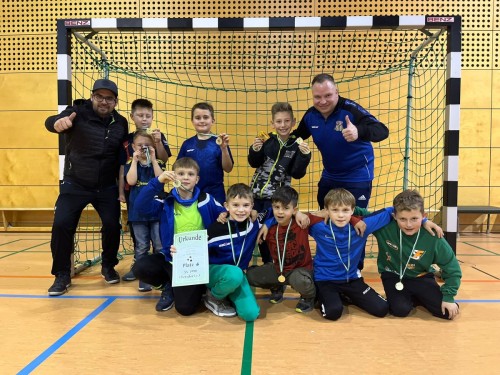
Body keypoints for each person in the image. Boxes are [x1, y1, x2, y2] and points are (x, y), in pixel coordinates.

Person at [293, 73, 389, 270]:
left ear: (336, 92)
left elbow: (382, 130)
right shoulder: (311, 116)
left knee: (354, 221)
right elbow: (296, 137)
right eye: (317, 97)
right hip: (330, 175)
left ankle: (355, 269)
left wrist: (358, 132)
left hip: (357, 177)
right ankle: (331, 264)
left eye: (328, 95)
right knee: (326, 219)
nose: (323, 101)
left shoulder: (350, 110)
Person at [45, 78, 129, 296]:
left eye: (109, 98)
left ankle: (108, 265)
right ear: (92, 97)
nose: (104, 102)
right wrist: (56, 123)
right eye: (99, 97)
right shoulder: (77, 112)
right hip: (75, 183)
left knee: (113, 225)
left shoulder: (120, 122)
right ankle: (62, 274)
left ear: (115, 102)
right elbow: (52, 121)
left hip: (106, 187)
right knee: (62, 224)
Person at [131, 157, 226, 314]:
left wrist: (224, 215)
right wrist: (158, 181)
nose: (186, 177)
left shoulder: (206, 199)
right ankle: (167, 286)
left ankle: (199, 287)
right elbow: (140, 206)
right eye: (181, 173)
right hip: (171, 258)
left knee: (185, 309)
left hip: (196, 261)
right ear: (173, 176)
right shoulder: (165, 200)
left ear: (197, 179)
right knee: (140, 268)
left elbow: (225, 213)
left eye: (190, 174)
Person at [372, 190, 461, 320]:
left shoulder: (433, 237)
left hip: (421, 276)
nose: (408, 224)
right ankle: (409, 297)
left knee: (447, 313)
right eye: (403, 219)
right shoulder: (384, 228)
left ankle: (415, 295)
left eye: (414, 218)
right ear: (394, 216)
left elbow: (452, 268)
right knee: (400, 310)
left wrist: (448, 297)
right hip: (393, 275)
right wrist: (330, 210)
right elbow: (357, 212)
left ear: (423, 216)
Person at [248, 102, 311, 263]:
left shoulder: (296, 144)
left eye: (287, 121)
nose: (283, 125)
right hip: (255, 195)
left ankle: (273, 265)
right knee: (254, 230)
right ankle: (260, 266)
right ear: (272, 123)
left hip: (277, 199)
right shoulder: (267, 140)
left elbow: (297, 173)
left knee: (270, 231)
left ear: (293, 122)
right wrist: (255, 150)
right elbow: (254, 163)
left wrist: (305, 156)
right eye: (279, 121)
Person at [246, 186, 319, 313]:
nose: (280, 212)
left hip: (300, 270)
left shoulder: (302, 222)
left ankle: (309, 297)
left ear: (294, 209)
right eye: (277, 207)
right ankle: (277, 285)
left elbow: (325, 213)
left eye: (286, 208)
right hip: (278, 269)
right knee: (250, 276)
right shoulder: (268, 227)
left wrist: (300, 213)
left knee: (300, 280)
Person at [204, 183, 265, 322]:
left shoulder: (253, 223)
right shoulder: (216, 228)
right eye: (235, 205)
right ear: (226, 206)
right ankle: (213, 296)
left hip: (237, 274)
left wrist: (297, 213)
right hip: (213, 273)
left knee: (250, 314)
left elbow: (277, 212)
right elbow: (197, 250)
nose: (241, 210)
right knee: (234, 274)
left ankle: (227, 291)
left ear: (252, 206)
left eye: (246, 205)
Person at [123, 130, 166, 292]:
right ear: (133, 147)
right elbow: (131, 181)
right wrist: (134, 161)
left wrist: (154, 159)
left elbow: (161, 181)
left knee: (159, 245)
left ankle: (161, 275)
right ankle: (144, 277)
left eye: (147, 145)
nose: (143, 148)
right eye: (140, 146)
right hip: (138, 214)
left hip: (156, 212)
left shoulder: (159, 163)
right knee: (141, 246)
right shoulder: (129, 164)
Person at [177, 102, 233, 204]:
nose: (202, 121)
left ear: (213, 120)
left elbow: (228, 168)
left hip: (215, 194)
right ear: (192, 121)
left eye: (205, 117)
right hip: (191, 193)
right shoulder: (187, 144)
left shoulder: (220, 142)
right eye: (198, 118)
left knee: (215, 220)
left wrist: (224, 149)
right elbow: (177, 169)